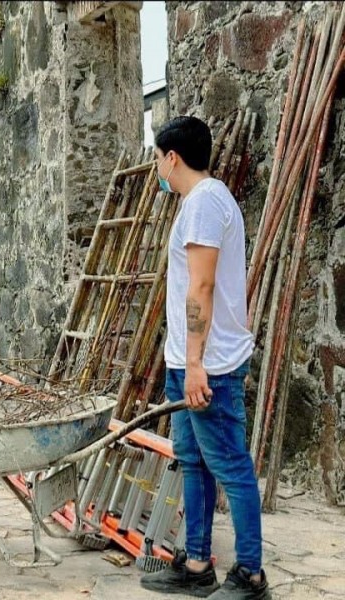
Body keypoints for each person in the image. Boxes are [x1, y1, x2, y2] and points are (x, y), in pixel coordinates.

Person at [140, 116, 268, 600]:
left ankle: (251, 576)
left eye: (157, 160)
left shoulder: (203, 203)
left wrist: (195, 364)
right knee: (194, 463)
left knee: (231, 465)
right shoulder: (203, 202)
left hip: (209, 366)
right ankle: (197, 564)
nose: (158, 169)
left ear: (172, 158)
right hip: (188, 362)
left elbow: (202, 285)